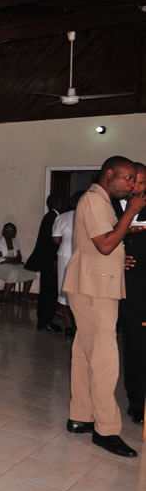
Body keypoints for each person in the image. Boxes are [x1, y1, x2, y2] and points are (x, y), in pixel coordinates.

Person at [63, 156, 146, 458]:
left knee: (85, 353)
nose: (131, 186)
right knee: (105, 358)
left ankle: (80, 416)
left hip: (89, 282)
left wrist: (121, 247)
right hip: (95, 287)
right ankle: (106, 430)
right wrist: (133, 213)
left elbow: (105, 243)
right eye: (127, 179)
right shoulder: (96, 200)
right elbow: (106, 244)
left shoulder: (100, 200)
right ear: (110, 174)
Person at [111, 162, 146, 425]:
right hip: (119, 285)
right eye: (134, 181)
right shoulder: (110, 205)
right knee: (132, 344)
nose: (137, 188)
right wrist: (117, 257)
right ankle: (136, 401)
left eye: (143, 183)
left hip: (142, 283)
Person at [25, 195, 64, 333]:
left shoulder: (50, 217)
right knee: (49, 291)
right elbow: (50, 243)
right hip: (49, 262)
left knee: (48, 291)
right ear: (56, 203)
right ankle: (46, 321)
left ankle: (45, 320)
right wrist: (54, 260)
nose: (63, 203)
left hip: (48, 261)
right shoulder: (53, 218)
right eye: (61, 201)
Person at [53, 191, 83, 338]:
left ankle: (69, 325)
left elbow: (56, 239)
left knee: (64, 290)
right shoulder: (88, 216)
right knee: (81, 290)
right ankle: (80, 325)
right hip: (83, 256)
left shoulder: (61, 217)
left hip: (65, 255)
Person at [0, 223, 37, 303]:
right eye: (7, 229)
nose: (8, 231)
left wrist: (10, 260)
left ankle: (24, 296)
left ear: (14, 233)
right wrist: (14, 260)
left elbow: (19, 258)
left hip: (13, 265)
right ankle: (4, 298)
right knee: (14, 272)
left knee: (30, 270)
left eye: (11, 230)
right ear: (3, 231)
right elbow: (0, 260)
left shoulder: (15, 243)